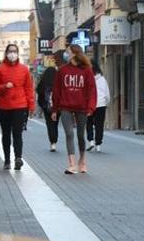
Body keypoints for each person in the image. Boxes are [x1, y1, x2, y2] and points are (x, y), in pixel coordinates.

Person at [52, 44, 98, 174]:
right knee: (69, 133)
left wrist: (91, 107)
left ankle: (82, 160)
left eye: (67, 52)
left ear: (74, 53)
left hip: (82, 107)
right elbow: (57, 91)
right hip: (65, 106)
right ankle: (71, 164)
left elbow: (92, 91)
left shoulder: (87, 70)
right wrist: (55, 109)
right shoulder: (62, 70)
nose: (65, 54)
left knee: (80, 135)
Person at [0, 43, 35, 171]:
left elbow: (29, 89)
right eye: (10, 51)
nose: (12, 54)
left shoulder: (24, 69)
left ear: (18, 53)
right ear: (6, 53)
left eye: (14, 51)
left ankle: (18, 158)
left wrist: (31, 106)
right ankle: (7, 160)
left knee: (17, 133)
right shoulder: (0, 69)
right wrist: (4, 86)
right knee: (6, 134)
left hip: (20, 106)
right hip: (3, 107)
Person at [36, 52, 64, 152]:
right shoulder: (58, 82)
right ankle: (54, 140)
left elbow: (38, 92)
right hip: (57, 107)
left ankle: (52, 143)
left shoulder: (43, 83)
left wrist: (42, 104)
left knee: (49, 124)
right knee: (55, 123)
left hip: (46, 107)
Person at [86, 63, 110, 152]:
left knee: (89, 123)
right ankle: (98, 144)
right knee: (99, 125)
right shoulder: (102, 80)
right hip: (101, 105)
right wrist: (106, 102)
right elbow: (107, 94)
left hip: (89, 104)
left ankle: (91, 141)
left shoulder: (87, 79)